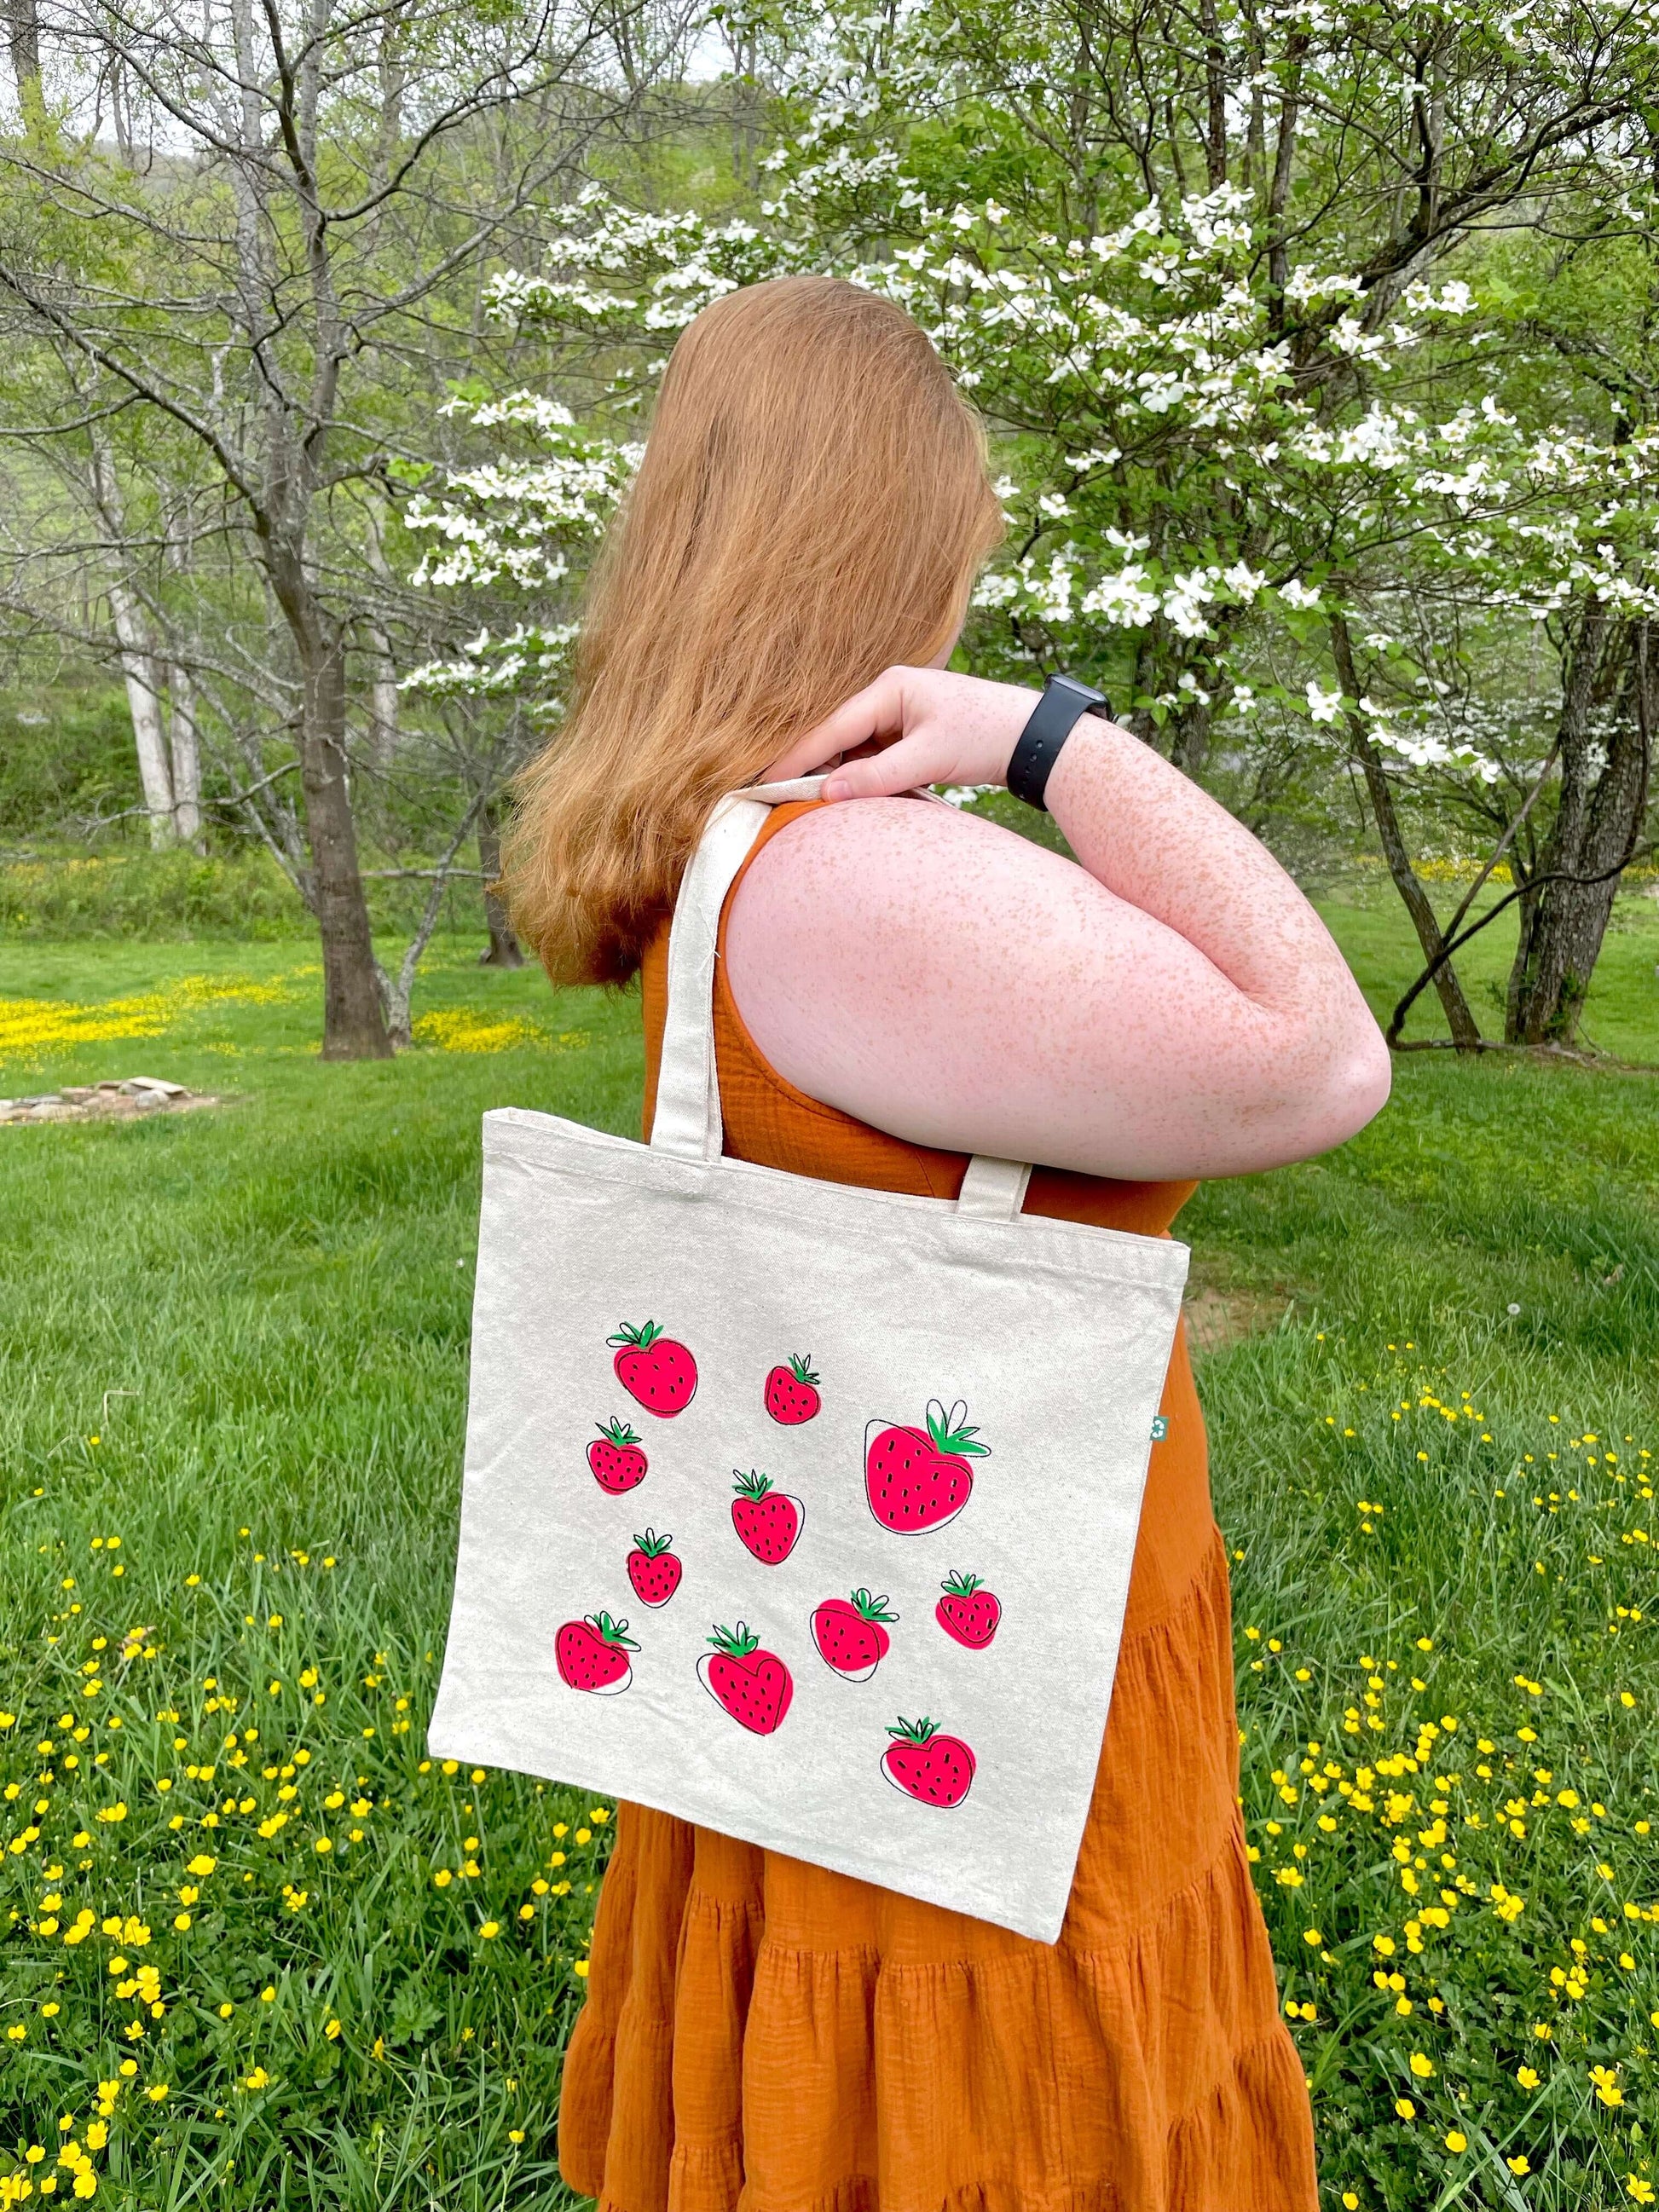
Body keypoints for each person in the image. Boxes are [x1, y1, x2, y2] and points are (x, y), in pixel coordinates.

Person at [504, 272, 1390, 2212]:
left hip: (833, 1621)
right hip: (971, 1678)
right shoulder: (870, 878)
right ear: (892, 538)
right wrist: (1052, 735)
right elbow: (1320, 1058)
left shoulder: (723, 853)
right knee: (1000, 2105)